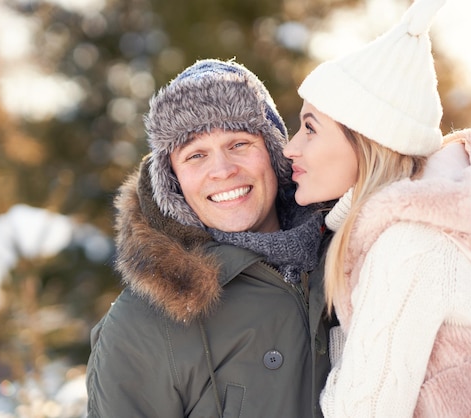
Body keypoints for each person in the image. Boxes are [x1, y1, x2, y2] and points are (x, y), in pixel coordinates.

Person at [283, 0, 471, 416]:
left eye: (310, 128)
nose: (290, 147)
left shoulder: (408, 247)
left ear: (366, 143)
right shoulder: (427, 229)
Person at [86, 58, 333, 417]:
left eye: (239, 144)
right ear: (173, 182)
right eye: (196, 155)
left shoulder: (349, 259)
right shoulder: (142, 325)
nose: (222, 170)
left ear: (276, 154)